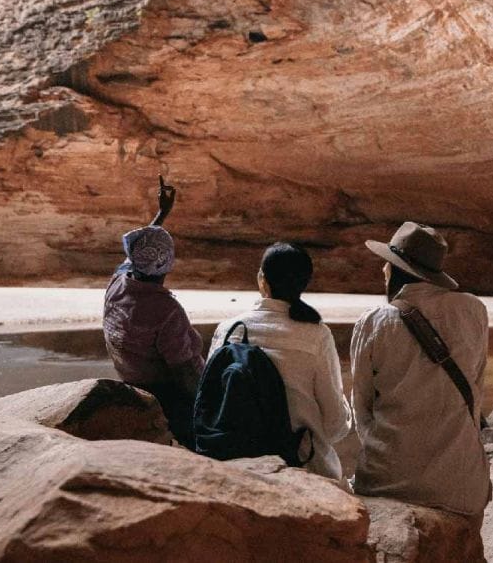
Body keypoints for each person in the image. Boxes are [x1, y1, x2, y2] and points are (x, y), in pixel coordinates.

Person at [350, 222, 490, 519]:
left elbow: (361, 406)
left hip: (385, 478)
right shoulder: (473, 309)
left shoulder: (374, 320)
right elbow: (475, 389)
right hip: (460, 482)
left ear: (393, 269)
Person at [207, 242, 352, 482]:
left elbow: (209, 402)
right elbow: (335, 426)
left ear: (261, 279)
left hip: (235, 463)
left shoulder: (228, 330)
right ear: (304, 283)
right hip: (301, 467)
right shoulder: (317, 335)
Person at [102, 176, 205, 448]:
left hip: (131, 378)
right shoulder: (166, 310)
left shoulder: (118, 283)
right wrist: (209, 407)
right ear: (168, 265)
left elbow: (139, 253)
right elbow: (184, 373)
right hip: (165, 395)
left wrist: (162, 214)